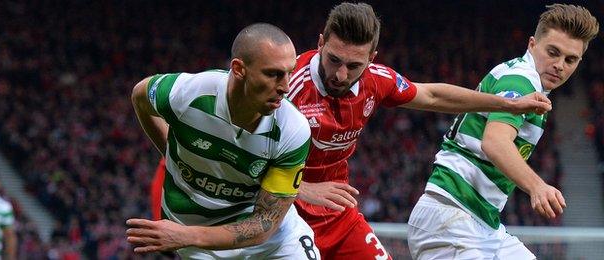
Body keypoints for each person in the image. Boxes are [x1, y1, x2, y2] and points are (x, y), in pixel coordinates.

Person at [287, 2, 554, 259]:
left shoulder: (377, 80)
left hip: (336, 214)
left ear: (371, 58)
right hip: (282, 209)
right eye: (334, 60)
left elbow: (434, 96)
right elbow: (246, 156)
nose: (341, 75)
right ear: (320, 43)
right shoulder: (288, 87)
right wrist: (301, 188)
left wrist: (508, 104)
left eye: (354, 66)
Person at [407, 4, 599, 259]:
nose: (559, 65)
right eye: (553, 52)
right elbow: (495, 142)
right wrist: (537, 187)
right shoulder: (522, 79)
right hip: (451, 219)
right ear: (532, 44)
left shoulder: (525, 79)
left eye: (570, 59)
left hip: (481, 223)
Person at [127, 23, 320, 259]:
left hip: (270, 241)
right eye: (273, 74)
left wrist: (186, 237)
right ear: (239, 69)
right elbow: (140, 95)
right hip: (199, 242)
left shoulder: (292, 129)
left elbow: (264, 224)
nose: (285, 87)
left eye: (289, 73)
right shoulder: (188, 94)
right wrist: (169, 151)